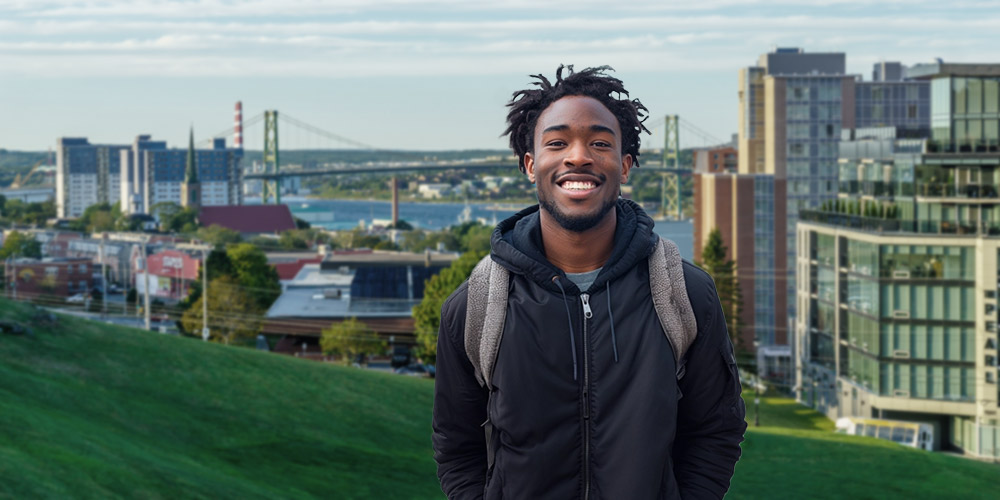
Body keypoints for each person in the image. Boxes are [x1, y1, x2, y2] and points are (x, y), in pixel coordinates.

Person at [432, 65, 746, 499]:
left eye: (600, 143)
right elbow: (455, 446)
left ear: (625, 165)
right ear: (530, 165)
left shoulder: (683, 293)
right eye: (557, 143)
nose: (577, 156)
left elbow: (715, 431)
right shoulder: (478, 305)